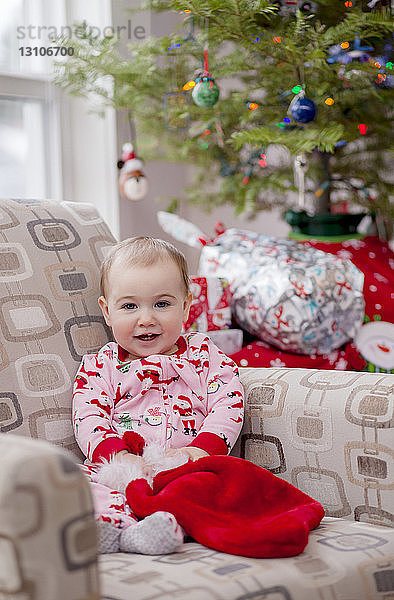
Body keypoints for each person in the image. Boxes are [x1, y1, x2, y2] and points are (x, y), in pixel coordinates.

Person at [73, 236, 244, 555]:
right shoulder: (101, 365)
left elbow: (227, 403)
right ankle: (116, 528)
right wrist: (118, 456)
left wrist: (198, 451)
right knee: (80, 482)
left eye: (162, 304)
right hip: (123, 470)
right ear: (107, 311)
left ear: (186, 305)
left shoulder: (204, 356)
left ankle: (169, 525)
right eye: (129, 306)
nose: (146, 318)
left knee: (224, 486)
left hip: (185, 468)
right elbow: (89, 417)